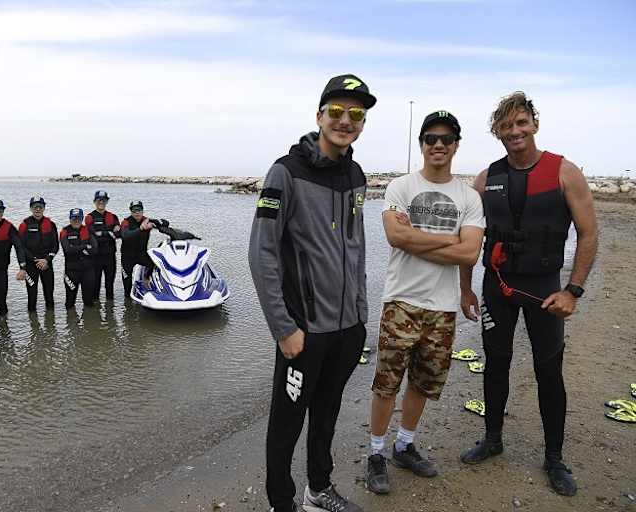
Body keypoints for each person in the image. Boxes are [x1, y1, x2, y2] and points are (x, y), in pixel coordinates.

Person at [458, 92, 598, 497]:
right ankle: (493, 438)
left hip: (544, 291)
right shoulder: (486, 179)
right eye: (506, 126)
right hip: (497, 288)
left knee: (548, 370)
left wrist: (572, 291)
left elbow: (588, 234)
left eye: (521, 123)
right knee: (495, 362)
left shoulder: (563, 172)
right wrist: (466, 287)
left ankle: (554, 457)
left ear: (534, 124)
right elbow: (469, 238)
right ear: (497, 132)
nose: (515, 131)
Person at [249, 74, 375, 512]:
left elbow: (355, 250)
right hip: (303, 331)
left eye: (356, 114)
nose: (346, 120)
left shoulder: (357, 175)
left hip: (346, 330)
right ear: (319, 115)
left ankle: (318, 490)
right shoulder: (285, 172)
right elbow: (261, 254)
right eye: (337, 112)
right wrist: (284, 329)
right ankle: (281, 503)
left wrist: (360, 318)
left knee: (327, 414)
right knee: (286, 423)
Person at [364, 111, 484, 495]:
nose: (438, 144)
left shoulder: (469, 197)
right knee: (386, 383)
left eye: (446, 139)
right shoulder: (401, 186)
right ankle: (376, 453)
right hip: (401, 300)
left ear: (456, 145)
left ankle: (404, 445)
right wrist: (451, 240)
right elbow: (396, 238)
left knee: (423, 383)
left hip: (443, 307)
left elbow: (470, 254)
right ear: (421, 144)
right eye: (430, 137)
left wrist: (421, 238)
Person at [18, 196, 59, 312]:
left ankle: (51, 325)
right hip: (31, 265)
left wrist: (46, 260)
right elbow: (21, 247)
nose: (37, 209)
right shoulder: (24, 225)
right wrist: (35, 260)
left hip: (47, 264)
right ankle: (33, 326)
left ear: (44, 208)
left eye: (40, 206)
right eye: (35, 207)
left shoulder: (51, 224)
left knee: (49, 295)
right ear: (31, 208)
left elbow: (55, 246)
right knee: (32, 296)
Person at [84, 190, 120, 302]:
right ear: (95, 201)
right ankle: (95, 316)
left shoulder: (113, 216)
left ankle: (110, 312)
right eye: (99, 200)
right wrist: (110, 233)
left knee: (110, 285)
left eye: (103, 200)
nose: (101, 202)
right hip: (96, 256)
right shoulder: (89, 217)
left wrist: (102, 233)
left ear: (107, 201)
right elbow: (92, 235)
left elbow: (119, 234)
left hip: (110, 256)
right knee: (96, 285)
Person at [60, 208, 98, 309]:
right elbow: (67, 250)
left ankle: (90, 323)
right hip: (71, 272)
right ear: (70, 219)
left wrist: (76, 248)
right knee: (70, 302)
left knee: (89, 301)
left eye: (79, 218)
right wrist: (85, 246)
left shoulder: (88, 230)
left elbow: (95, 250)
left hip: (88, 271)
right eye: (74, 218)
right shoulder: (64, 231)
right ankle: (70, 322)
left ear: (82, 219)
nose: (76, 221)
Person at [119, 200, 155, 297]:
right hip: (127, 257)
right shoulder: (125, 222)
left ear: (142, 211)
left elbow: (165, 223)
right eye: (134, 211)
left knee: (154, 264)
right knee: (127, 286)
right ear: (131, 212)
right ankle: (128, 306)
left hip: (141, 254)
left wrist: (155, 223)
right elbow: (125, 235)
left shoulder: (147, 220)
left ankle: (146, 279)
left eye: (139, 210)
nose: (137, 213)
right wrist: (141, 229)